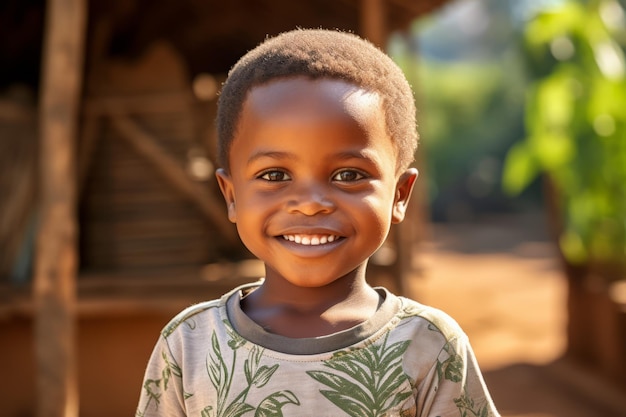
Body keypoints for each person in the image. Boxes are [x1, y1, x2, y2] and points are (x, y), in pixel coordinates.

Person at [136, 28, 499, 417]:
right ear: (231, 195)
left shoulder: (430, 345)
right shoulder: (189, 344)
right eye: (274, 175)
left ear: (399, 195)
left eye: (348, 175)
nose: (309, 205)